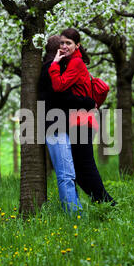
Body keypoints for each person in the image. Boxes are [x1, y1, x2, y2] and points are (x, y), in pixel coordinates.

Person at [49, 28, 115, 206]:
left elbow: (58, 86)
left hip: (82, 122)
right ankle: (103, 204)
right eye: (62, 43)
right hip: (79, 121)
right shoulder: (72, 61)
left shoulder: (76, 63)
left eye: (68, 43)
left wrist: (54, 64)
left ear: (77, 45)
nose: (64, 46)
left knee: (85, 168)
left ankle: (109, 205)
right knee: (79, 171)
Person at [38, 35, 95, 213]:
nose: (65, 49)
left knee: (69, 172)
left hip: (60, 126)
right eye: (62, 47)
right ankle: (74, 215)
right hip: (55, 127)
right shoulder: (50, 69)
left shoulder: (55, 68)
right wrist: (88, 102)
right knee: (66, 174)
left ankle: (74, 209)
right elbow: (63, 98)